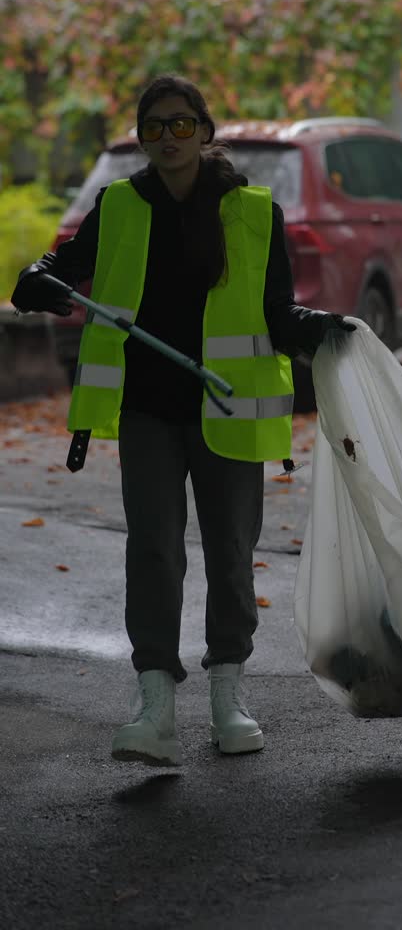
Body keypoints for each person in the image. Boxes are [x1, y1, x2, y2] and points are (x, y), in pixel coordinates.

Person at [11, 74, 354, 768]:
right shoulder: (120, 205)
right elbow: (62, 267)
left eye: (180, 123)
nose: (167, 137)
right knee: (155, 551)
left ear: (204, 130)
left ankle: (229, 693)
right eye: (154, 126)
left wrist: (318, 327)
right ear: (143, 138)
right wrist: (37, 278)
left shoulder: (252, 212)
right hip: (148, 411)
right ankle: (155, 703)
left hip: (228, 409)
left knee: (230, 551)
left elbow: (277, 312)